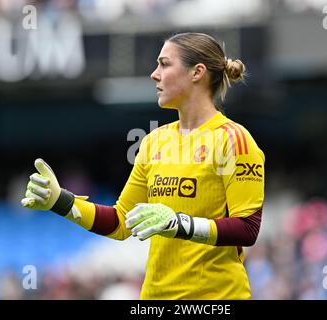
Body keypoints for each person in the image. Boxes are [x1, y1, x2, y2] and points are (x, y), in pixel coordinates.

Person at [21, 32, 265, 300]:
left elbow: (247, 228)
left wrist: (180, 224)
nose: (154, 74)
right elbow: (120, 223)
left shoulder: (234, 140)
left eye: (164, 64)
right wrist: (61, 201)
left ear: (197, 72)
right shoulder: (153, 142)